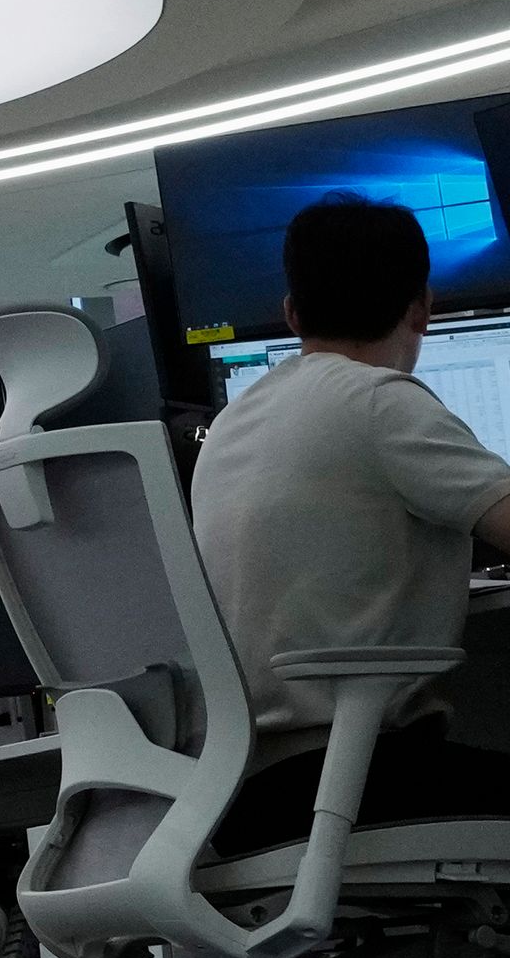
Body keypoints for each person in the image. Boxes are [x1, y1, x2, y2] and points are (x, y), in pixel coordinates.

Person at [195, 193, 510, 850]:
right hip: (349, 783)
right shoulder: (379, 402)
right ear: (423, 306)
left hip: (243, 787)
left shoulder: (230, 423)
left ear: (291, 312)